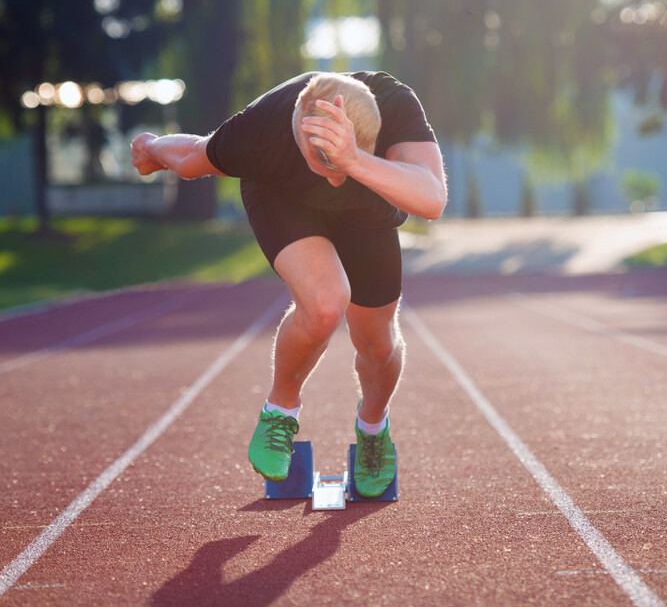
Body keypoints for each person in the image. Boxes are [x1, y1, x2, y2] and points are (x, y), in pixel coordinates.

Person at [130, 71, 446, 498]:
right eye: (323, 166)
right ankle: (280, 410)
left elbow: (432, 198)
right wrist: (151, 149)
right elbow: (191, 156)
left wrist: (353, 161)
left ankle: (373, 427)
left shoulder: (394, 103)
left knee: (379, 344)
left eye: (338, 168)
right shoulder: (259, 131)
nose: (333, 181)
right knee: (325, 304)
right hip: (286, 200)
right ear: (298, 131)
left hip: (368, 206)